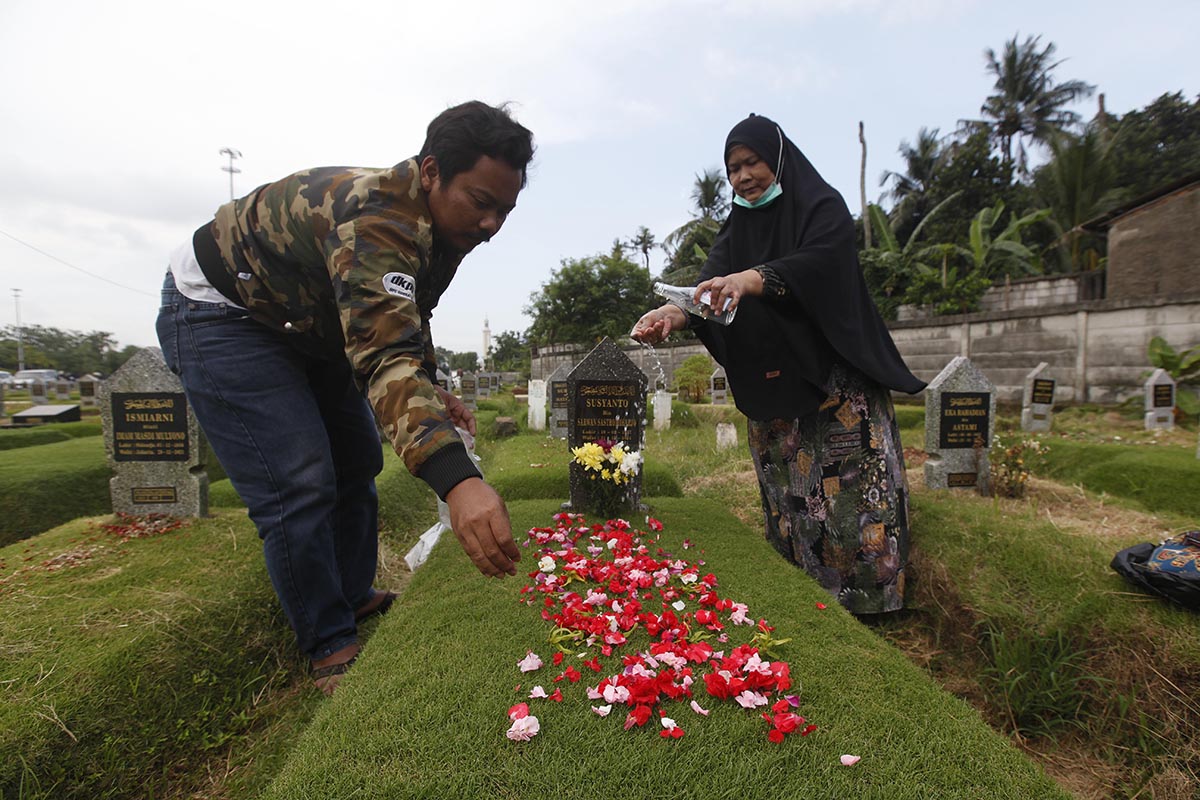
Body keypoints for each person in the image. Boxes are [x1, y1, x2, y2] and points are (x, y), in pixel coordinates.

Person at [156, 101, 532, 692]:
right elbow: (383, 357)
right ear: (431, 172)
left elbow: (403, 314)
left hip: (309, 322)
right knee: (300, 478)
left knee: (358, 458)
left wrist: (431, 386)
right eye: (481, 203)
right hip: (224, 312)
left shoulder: (446, 228)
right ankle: (328, 639)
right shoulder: (377, 220)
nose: (491, 225)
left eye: (504, 210)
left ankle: (353, 596)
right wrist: (460, 482)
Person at [632, 113, 925, 615]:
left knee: (847, 500)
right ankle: (804, 597)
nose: (743, 176)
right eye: (732, 168)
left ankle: (870, 605)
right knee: (791, 494)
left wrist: (751, 279)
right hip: (776, 387)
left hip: (834, 386)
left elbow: (821, 265)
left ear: (778, 158)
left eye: (752, 162)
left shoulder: (821, 208)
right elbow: (708, 290)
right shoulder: (737, 226)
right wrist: (674, 313)